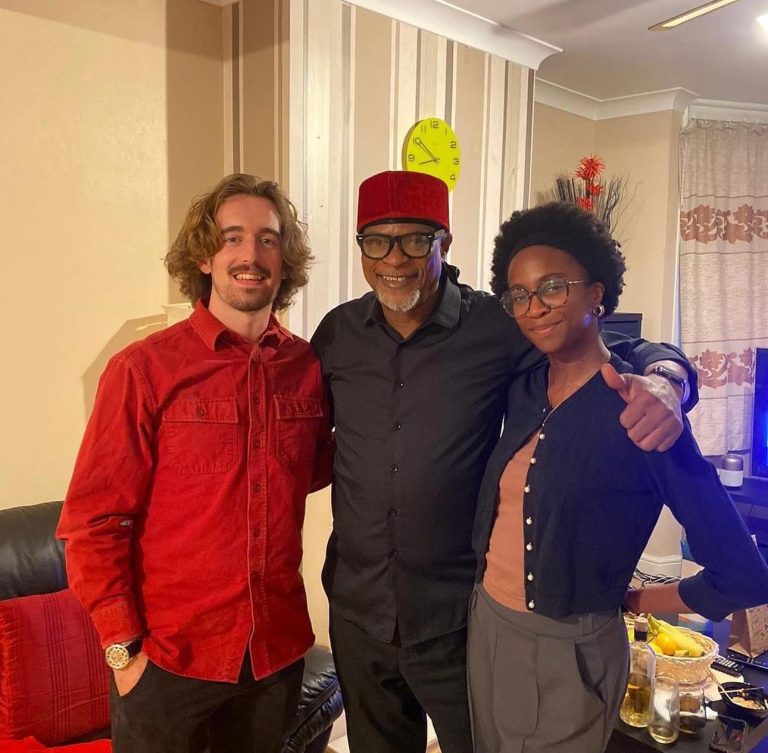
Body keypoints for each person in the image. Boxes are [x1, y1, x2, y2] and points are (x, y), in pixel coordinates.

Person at [310, 170, 698, 753]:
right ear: (361, 246)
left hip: (456, 615)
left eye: (415, 239)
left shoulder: (496, 324)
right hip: (357, 610)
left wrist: (668, 375)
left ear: (444, 242)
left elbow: (605, 346)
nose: (394, 258)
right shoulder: (339, 332)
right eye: (377, 241)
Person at [468, 201, 768, 753]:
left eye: (553, 287)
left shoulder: (644, 411)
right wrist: (669, 366)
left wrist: (633, 601)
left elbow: (743, 576)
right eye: (520, 295)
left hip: (567, 652)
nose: (535, 307)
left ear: (596, 293)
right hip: (486, 623)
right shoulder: (526, 382)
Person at [57, 174, 333, 753]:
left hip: (275, 655)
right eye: (232, 238)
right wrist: (123, 652)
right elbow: (92, 522)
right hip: (167, 663)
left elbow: (312, 471)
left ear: (284, 259)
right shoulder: (142, 370)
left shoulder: (307, 368)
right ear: (205, 257)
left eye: (267, 239)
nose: (250, 255)